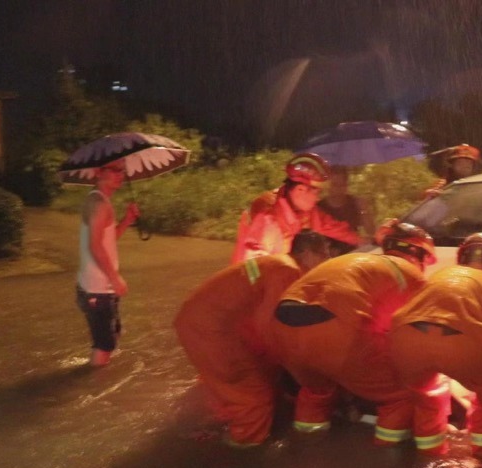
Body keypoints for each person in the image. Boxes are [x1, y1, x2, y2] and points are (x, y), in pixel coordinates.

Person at [264, 219, 434, 448]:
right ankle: (388, 457)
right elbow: (421, 336)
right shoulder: (412, 276)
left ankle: (304, 446)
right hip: (336, 331)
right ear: (418, 255)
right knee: (399, 397)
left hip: (284, 328)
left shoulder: (356, 260)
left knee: (317, 391)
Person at [173, 230, 331, 448]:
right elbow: (273, 327)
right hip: (211, 331)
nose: (326, 261)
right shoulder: (288, 272)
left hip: (205, 323)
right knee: (255, 399)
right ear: (305, 253)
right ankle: (240, 448)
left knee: (252, 377)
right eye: (323, 255)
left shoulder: (278, 265)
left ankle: (212, 418)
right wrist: (300, 367)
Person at [390, 233, 482, 457]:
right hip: (461, 344)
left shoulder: (437, 276)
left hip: (407, 339)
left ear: (462, 256)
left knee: (426, 398)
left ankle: (430, 455)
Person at [231, 153, 361, 262]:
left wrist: (363, 241)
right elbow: (253, 265)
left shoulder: (303, 208)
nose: (317, 198)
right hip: (253, 285)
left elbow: (330, 226)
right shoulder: (269, 218)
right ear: (300, 189)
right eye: (316, 192)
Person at [75, 158, 140, 367]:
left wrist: (127, 221)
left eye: (122, 171)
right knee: (104, 347)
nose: (120, 175)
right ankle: (89, 389)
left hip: (97, 288)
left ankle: (94, 376)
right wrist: (115, 277)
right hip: (98, 289)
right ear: (97, 171)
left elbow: (107, 240)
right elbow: (95, 246)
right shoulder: (99, 204)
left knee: (109, 339)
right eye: (114, 170)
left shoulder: (100, 200)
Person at [316, 166, 375, 254]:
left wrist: (364, 210)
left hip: (353, 252)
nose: (338, 189)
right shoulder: (319, 207)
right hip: (327, 255)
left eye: (342, 185)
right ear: (328, 185)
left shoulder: (354, 203)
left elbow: (371, 231)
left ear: (346, 186)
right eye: (335, 185)